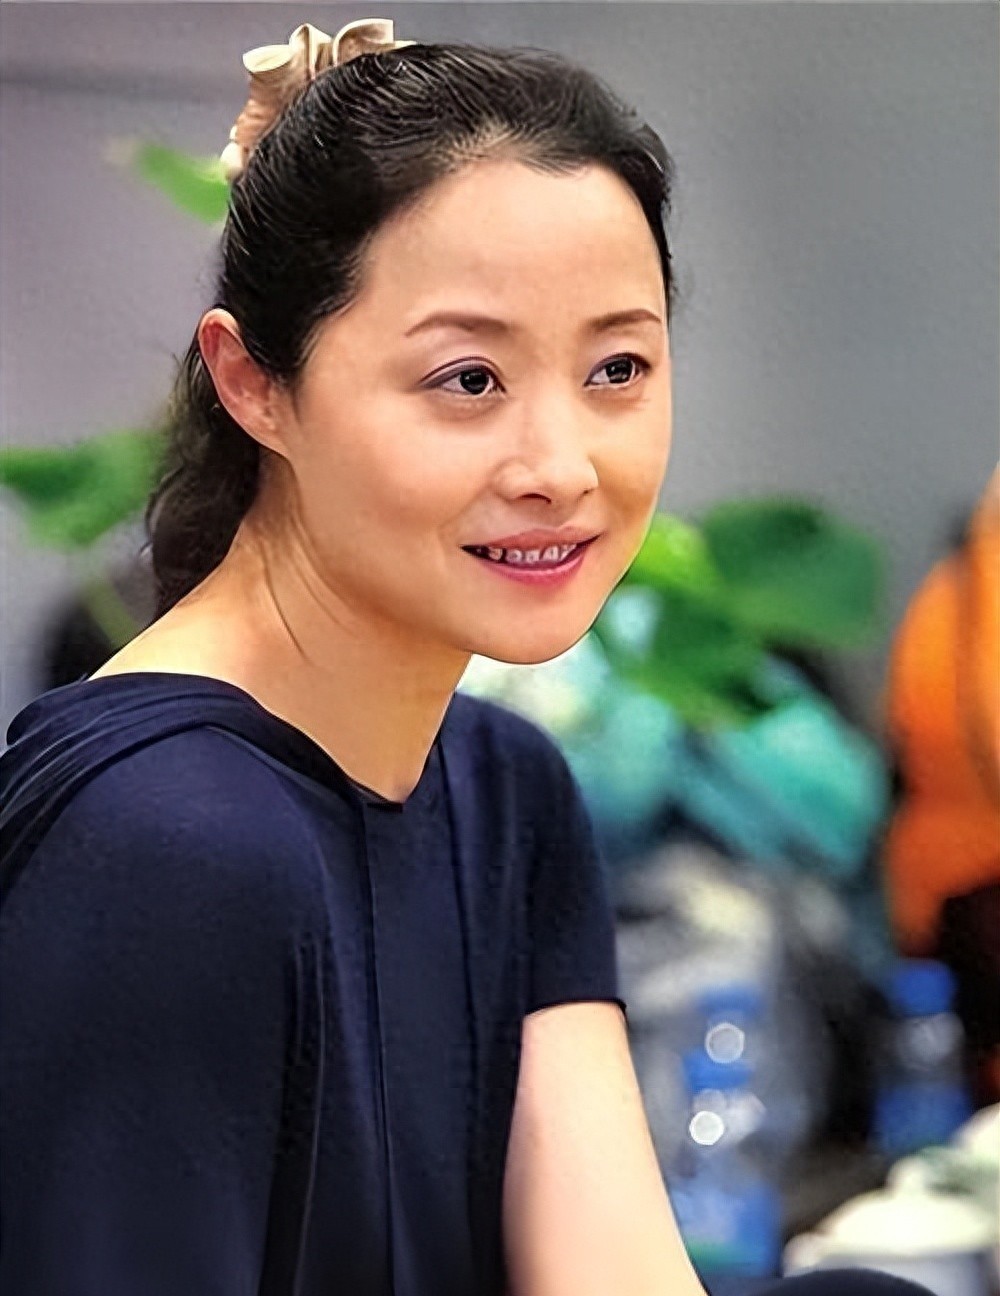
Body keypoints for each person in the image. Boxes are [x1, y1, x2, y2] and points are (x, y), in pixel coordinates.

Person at [0, 18, 934, 1296]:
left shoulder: (504, 791)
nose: (560, 467)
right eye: (467, 380)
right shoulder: (168, 845)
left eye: (617, 367)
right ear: (253, 382)